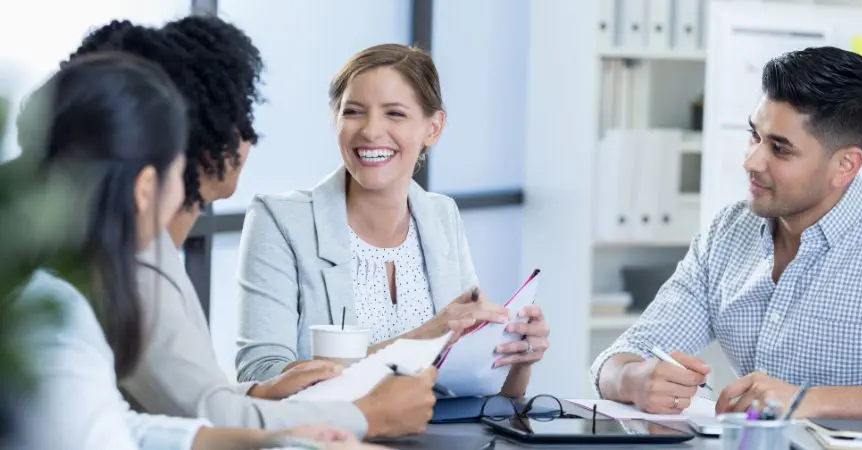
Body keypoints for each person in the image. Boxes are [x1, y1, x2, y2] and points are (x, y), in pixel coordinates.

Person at [67, 19, 437, 439]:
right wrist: (369, 414)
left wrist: (258, 393)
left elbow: (186, 401)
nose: (249, 138)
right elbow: (204, 414)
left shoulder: (149, 248)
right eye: (238, 115)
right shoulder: (133, 261)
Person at [15, 51, 382, 450]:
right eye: (178, 168)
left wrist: (269, 438)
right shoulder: (57, 312)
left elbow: (110, 422)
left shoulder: (48, 286)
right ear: (144, 188)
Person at [592, 46, 862, 420]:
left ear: (845, 165)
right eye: (754, 135)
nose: (751, 161)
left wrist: (805, 401)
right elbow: (623, 356)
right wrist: (634, 379)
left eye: (780, 149)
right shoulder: (728, 232)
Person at [234, 43, 551, 401]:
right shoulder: (280, 220)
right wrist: (423, 338)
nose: (371, 131)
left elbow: (482, 394)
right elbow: (261, 374)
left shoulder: (441, 215)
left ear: (433, 128)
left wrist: (517, 356)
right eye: (353, 111)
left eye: (394, 114)